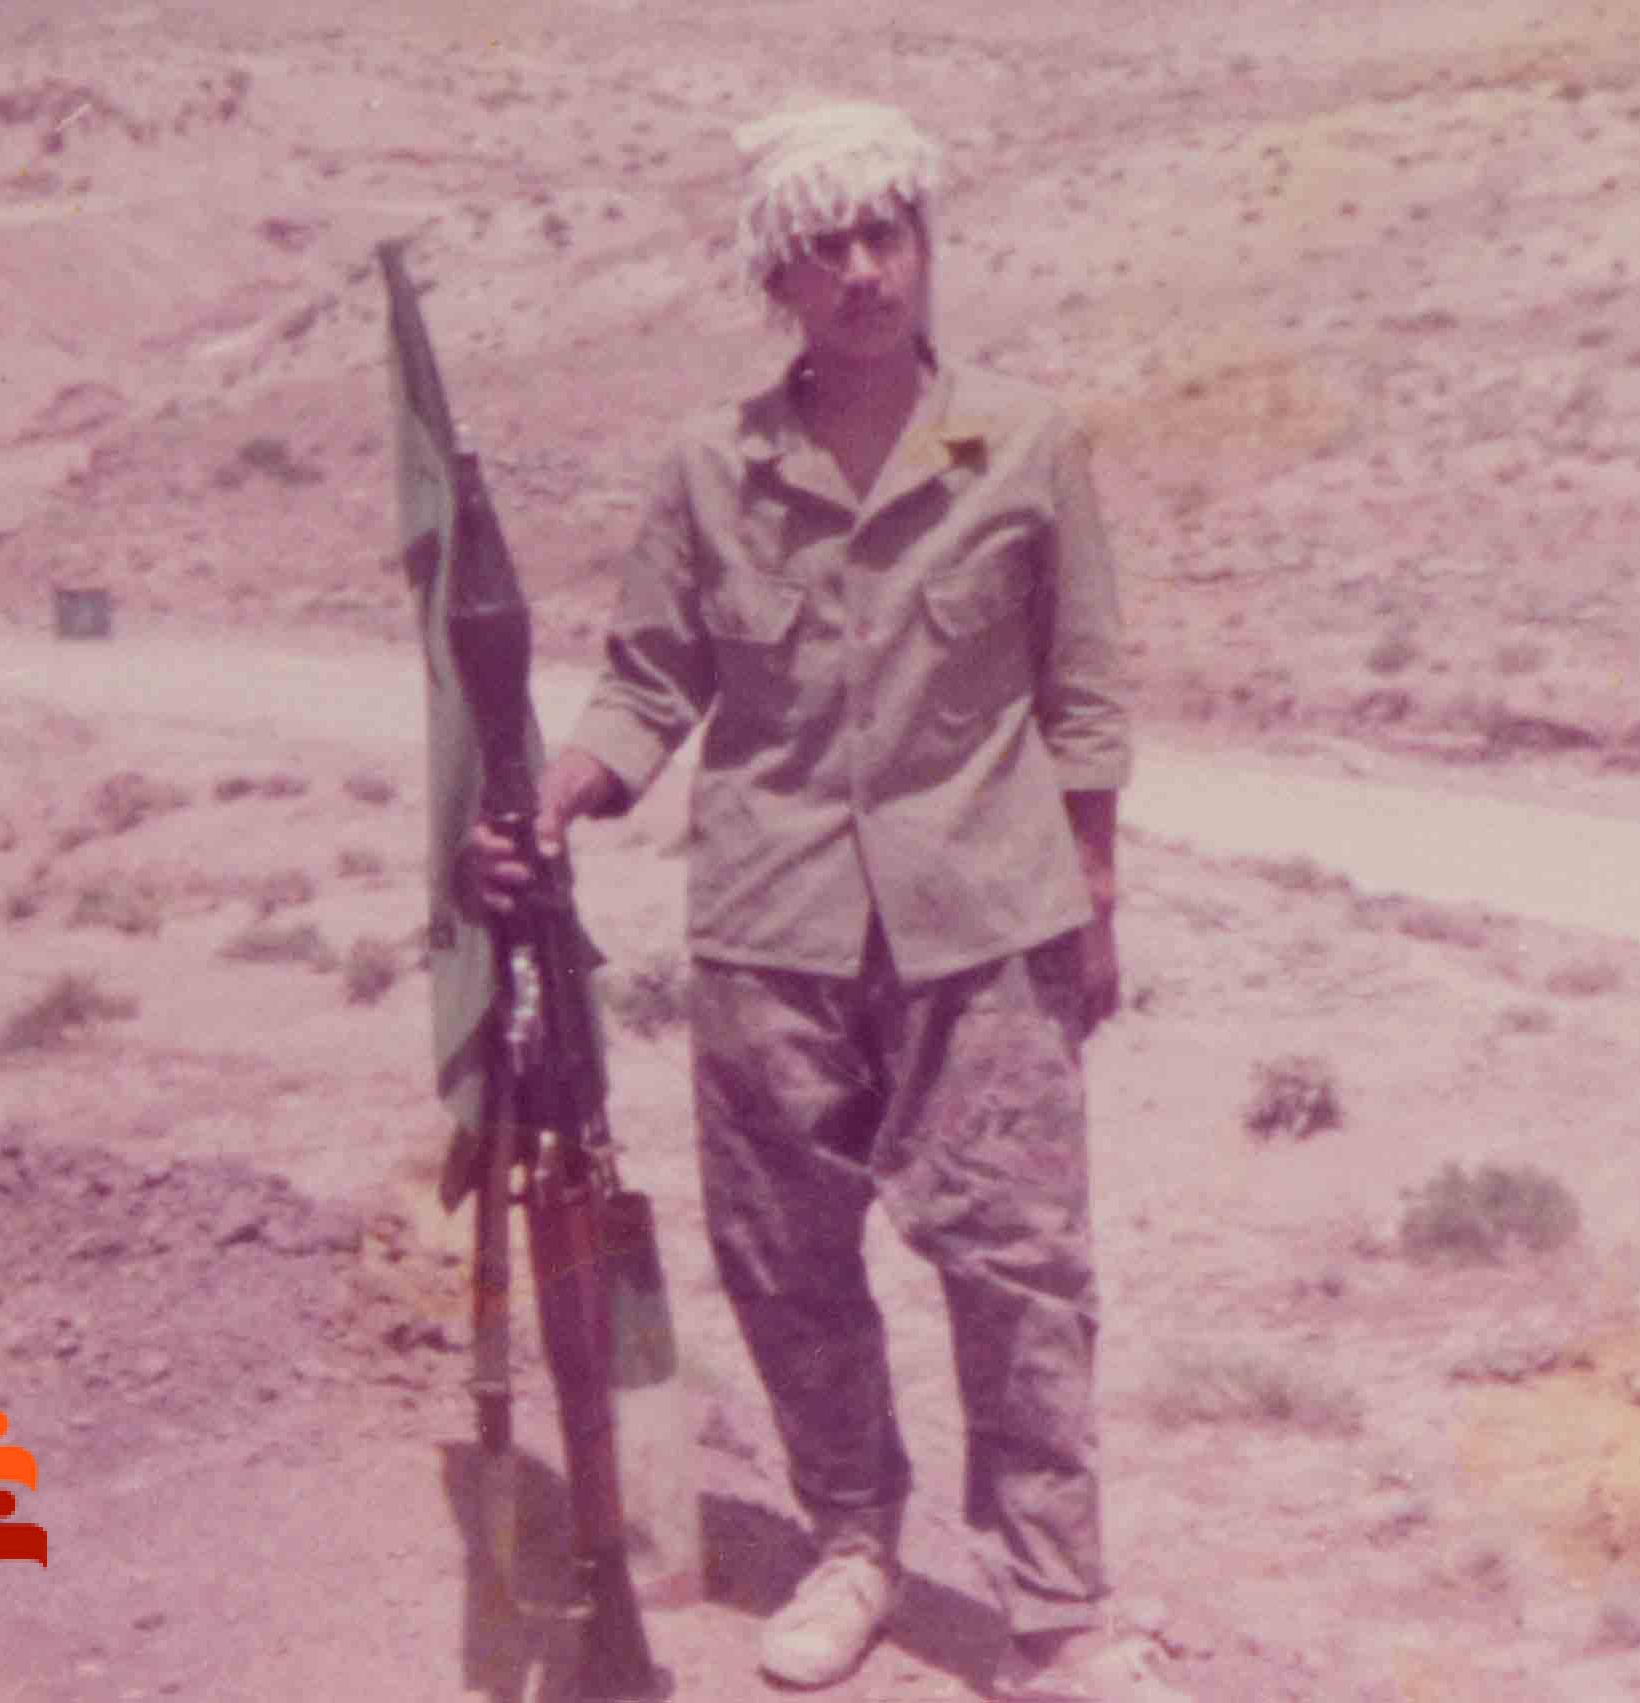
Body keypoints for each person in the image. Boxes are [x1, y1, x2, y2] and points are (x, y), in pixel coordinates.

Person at [468, 100, 1152, 1700]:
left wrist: (1093, 893)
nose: (861, 271)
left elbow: (1083, 691)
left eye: (883, 234)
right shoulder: (712, 470)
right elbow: (649, 685)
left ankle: (1055, 1611)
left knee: (1020, 1273)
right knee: (790, 1268)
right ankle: (851, 1544)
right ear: (773, 281)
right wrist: (559, 794)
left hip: (985, 931)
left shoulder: (1024, 442)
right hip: (770, 936)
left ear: (922, 243)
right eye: (823, 247)